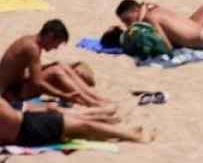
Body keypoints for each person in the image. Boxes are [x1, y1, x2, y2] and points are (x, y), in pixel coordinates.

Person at [0, 20, 109, 108]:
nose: (56, 48)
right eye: (57, 43)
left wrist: (50, 66)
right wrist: (62, 95)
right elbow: (37, 82)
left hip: (16, 86)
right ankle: (91, 101)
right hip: (10, 94)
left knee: (59, 65)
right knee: (56, 71)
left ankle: (93, 98)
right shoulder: (32, 48)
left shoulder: (30, 41)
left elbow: (26, 72)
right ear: (50, 36)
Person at [0, 96, 151, 147]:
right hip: (27, 129)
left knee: (79, 125)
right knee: (84, 126)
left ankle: (127, 133)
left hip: (26, 124)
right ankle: (132, 136)